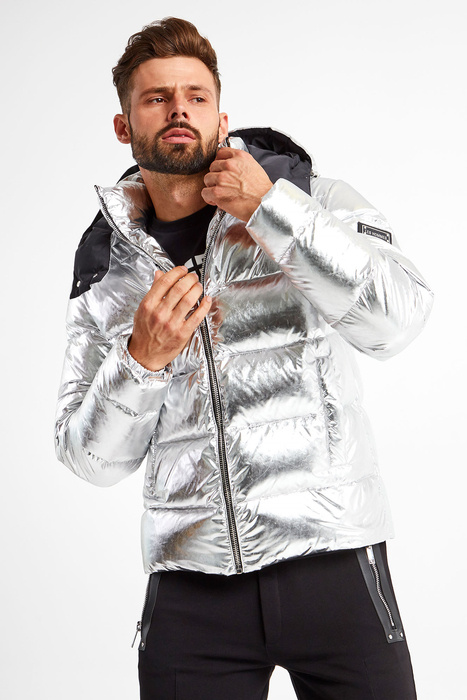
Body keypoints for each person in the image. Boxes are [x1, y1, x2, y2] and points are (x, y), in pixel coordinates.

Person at [55, 16, 433, 700]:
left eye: (195, 96)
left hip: (333, 560)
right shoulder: (107, 268)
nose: (178, 109)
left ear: (220, 118)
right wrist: (141, 361)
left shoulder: (312, 197)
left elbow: (398, 319)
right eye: (156, 98)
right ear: (123, 126)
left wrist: (272, 211)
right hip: (190, 590)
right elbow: (89, 458)